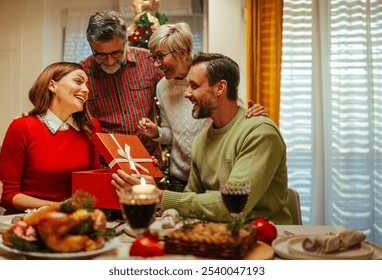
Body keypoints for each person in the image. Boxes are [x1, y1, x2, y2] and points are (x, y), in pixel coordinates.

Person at [112, 52, 292, 225]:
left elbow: (232, 205)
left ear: (220, 88)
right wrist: (160, 206)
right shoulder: (201, 140)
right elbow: (189, 198)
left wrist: (160, 197)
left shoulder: (259, 133)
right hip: (215, 236)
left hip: (265, 239)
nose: (187, 93)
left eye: (194, 86)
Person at [137, 22, 268, 192]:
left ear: (182, 53)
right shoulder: (162, 87)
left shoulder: (209, 75)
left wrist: (255, 115)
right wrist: (156, 133)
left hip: (213, 175)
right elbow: (171, 135)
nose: (156, 64)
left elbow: (233, 114)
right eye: (153, 57)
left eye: (160, 56)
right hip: (181, 179)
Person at [0, 62, 100, 214]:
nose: (86, 90)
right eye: (78, 81)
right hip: (26, 223)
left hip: (75, 222)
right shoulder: (22, 127)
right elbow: (7, 195)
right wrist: (58, 207)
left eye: (87, 84)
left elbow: (92, 187)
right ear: (52, 85)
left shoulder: (90, 128)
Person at [82, 10, 163, 161]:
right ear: (91, 46)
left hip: (148, 159)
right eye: (100, 54)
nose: (110, 61)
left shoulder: (149, 61)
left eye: (116, 53)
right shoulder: (82, 73)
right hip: (106, 163)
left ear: (126, 41)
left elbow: (176, 89)